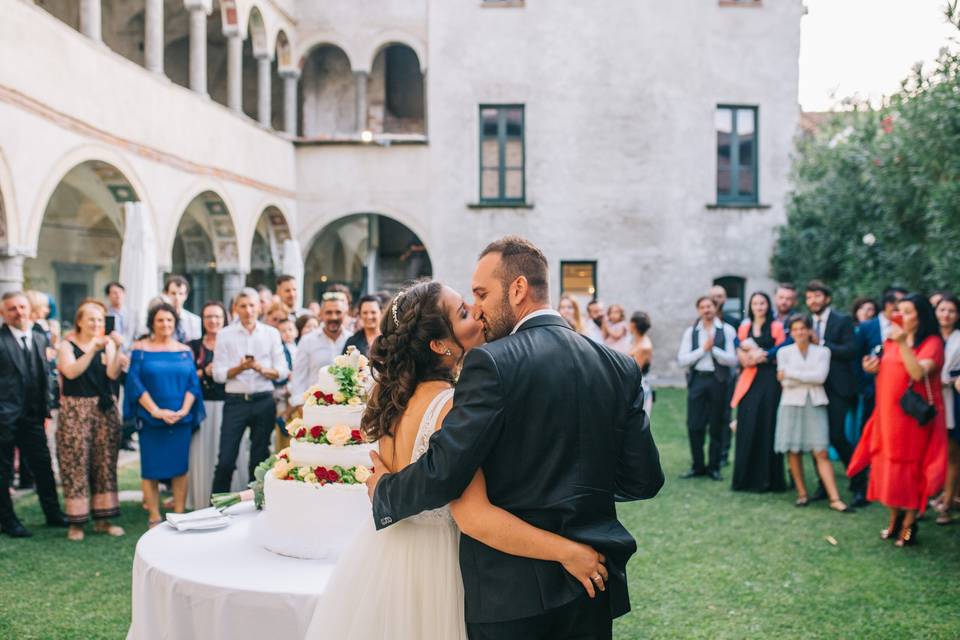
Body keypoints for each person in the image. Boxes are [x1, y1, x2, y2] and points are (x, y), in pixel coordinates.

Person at [363, 237, 663, 639]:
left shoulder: (492, 362)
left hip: (509, 592)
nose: (479, 309)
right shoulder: (619, 365)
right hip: (591, 580)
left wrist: (385, 491)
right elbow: (644, 480)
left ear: (518, 288)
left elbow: (444, 472)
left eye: (482, 294)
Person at [307, 280, 615, 640]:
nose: (477, 312)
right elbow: (474, 516)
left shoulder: (392, 400)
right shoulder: (450, 405)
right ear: (439, 345)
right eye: (464, 312)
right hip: (435, 566)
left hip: (386, 557)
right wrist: (567, 553)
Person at [850, 294, 947, 546]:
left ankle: (909, 524)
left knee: (910, 470)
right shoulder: (892, 339)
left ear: (921, 316)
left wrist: (903, 343)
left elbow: (915, 373)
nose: (900, 316)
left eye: (907, 311)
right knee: (888, 468)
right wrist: (872, 367)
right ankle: (894, 519)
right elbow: (888, 371)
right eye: (899, 311)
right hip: (888, 415)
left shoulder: (932, 343)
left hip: (913, 420)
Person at [125, 303, 205, 527]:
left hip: (180, 418)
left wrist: (184, 410)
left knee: (180, 467)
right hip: (151, 418)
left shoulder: (184, 351)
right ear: (152, 323)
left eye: (169, 320)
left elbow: (193, 383)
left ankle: (178, 514)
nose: (165, 324)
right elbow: (134, 383)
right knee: (150, 468)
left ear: (175, 323)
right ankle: (154, 515)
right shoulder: (140, 349)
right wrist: (156, 411)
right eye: (160, 320)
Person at [0, 292, 68, 537]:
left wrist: (46, 409)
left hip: (33, 417)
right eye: (11, 309)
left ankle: (53, 513)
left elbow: (44, 377)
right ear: (3, 314)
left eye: (21, 307)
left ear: (29, 308)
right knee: (3, 473)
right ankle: (8, 521)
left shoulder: (40, 337)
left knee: (44, 467)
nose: (18, 312)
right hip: (4, 420)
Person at [56, 300, 125, 541]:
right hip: (76, 411)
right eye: (91, 319)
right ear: (80, 321)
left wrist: (118, 349)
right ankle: (76, 523)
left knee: (104, 464)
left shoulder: (105, 344)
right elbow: (71, 371)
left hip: (103, 410)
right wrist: (92, 350)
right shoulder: (67, 344)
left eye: (99, 319)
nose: (96, 324)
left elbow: (112, 374)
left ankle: (103, 519)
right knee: (75, 463)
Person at [210, 288, 288, 494]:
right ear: (235, 308)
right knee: (226, 459)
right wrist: (240, 368)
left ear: (260, 307)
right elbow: (218, 374)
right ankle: (216, 507)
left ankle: (256, 507)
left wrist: (260, 368)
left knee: (259, 460)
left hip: (263, 400)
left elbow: (282, 371)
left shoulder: (271, 334)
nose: (248, 310)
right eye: (243, 306)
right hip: (235, 401)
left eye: (252, 305)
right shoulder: (225, 335)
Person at [775, 314, 852, 512]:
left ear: (810, 330)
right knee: (793, 450)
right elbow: (784, 383)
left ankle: (834, 497)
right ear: (790, 332)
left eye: (803, 328)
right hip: (791, 403)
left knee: (821, 450)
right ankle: (802, 493)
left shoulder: (822, 352)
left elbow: (819, 377)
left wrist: (791, 373)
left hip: (815, 402)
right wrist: (796, 378)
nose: (799, 332)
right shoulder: (784, 352)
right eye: (795, 329)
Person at [186, 302, 249, 510]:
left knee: (230, 455)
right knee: (202, 452)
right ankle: (203, 500)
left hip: (231, 405)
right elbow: (186, 378)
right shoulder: (193, 346)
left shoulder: (234, 343)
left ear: (225, 319)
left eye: (217, 317)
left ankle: (234, 500)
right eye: (208, 317)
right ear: (203, 320)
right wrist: (205, 371)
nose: (212, 321)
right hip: (202, 405)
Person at [805, 279, 861, 503]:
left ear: (826, 298)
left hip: (837, 387)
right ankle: (822, 485)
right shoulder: (805, 321)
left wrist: (822, 343)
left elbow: (851, 350)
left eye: (817, 296)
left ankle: (859, 483)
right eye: (809, 297)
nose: (813, 301)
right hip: (813, 387)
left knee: (837, 436)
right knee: (816, 439)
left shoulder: (842, 320)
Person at [730, 292, 787, 493]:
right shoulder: (744, 326)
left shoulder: (777, 326)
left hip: (769, 379)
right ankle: (745, 479)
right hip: (749, 379)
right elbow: (737, 345)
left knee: (768, 423)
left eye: (762, 303)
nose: (759, 306)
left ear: (767, 305)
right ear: (750, 306)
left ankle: (768, 480)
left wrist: (764, 355)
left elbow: (782, 347)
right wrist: (744, 356)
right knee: (747, 423)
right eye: (755, 303)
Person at [677, 296, 737, 480]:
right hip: (698, 381)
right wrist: (703, 349)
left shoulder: (726, 330)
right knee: (695, 424)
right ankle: (697, 466)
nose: (706, 310)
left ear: (715, 308)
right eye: (702, 307)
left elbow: (733, 360)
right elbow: (682, 360)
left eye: (709, 306)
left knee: (717, 424)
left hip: (718, 381)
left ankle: (714, 466)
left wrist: (713, 350)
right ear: (698, 310)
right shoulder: (691, 332)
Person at [290, 292, 352, 412]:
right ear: (321, 314)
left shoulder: (352, 339)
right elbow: (298, 376)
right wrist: (299, 405)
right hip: (313, 407)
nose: (333, 317)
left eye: (338, 312)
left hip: (345, 409)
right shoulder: (308, 340)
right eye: (329, 312)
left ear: (345, 314)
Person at [934, 295, 960, 525]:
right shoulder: (929, 338)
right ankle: (920, 501)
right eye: (942, 309)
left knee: (952, 453)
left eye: (951, 310)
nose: (946, 314)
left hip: (953, 398)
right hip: (930, 399)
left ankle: (948, 503)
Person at [628, 311, 654, 417]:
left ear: (633, 325)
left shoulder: (644, 347)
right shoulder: (636, 340)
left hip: (639, 387)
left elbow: (635, 371)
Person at [164, 276, 202, 343]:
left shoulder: (195, 320)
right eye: (173, 293)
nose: (177, 297)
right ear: (166, 294)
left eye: (180, 294)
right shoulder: (158, 319)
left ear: (186, 296)